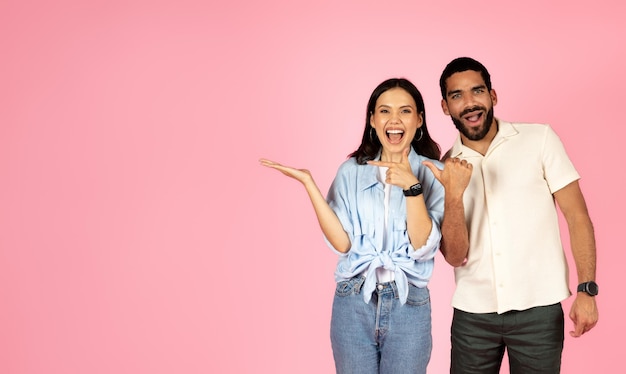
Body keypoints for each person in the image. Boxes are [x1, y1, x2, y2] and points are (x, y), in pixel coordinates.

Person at [423, 57, 599, 374]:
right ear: (445, 106)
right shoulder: (444, 167)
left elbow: (578, 217)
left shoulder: (539, 139)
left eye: (477, 91)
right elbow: (454, 255)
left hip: (539, 312)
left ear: (493, 95)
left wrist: (587, 290)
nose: (469, 103)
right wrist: (453, 194)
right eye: (457, 95)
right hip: (472, 316)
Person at [260, 78, 445, 374]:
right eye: (384, 111)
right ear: (372, 119)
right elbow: (343, 244)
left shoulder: (435, 173)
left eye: (405, 111)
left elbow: (423, 248)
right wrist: (309, 183)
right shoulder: (350, 171)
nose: (394, 120)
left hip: (409, 302)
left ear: (419, 119)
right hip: (353, 299)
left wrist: (412, 187)